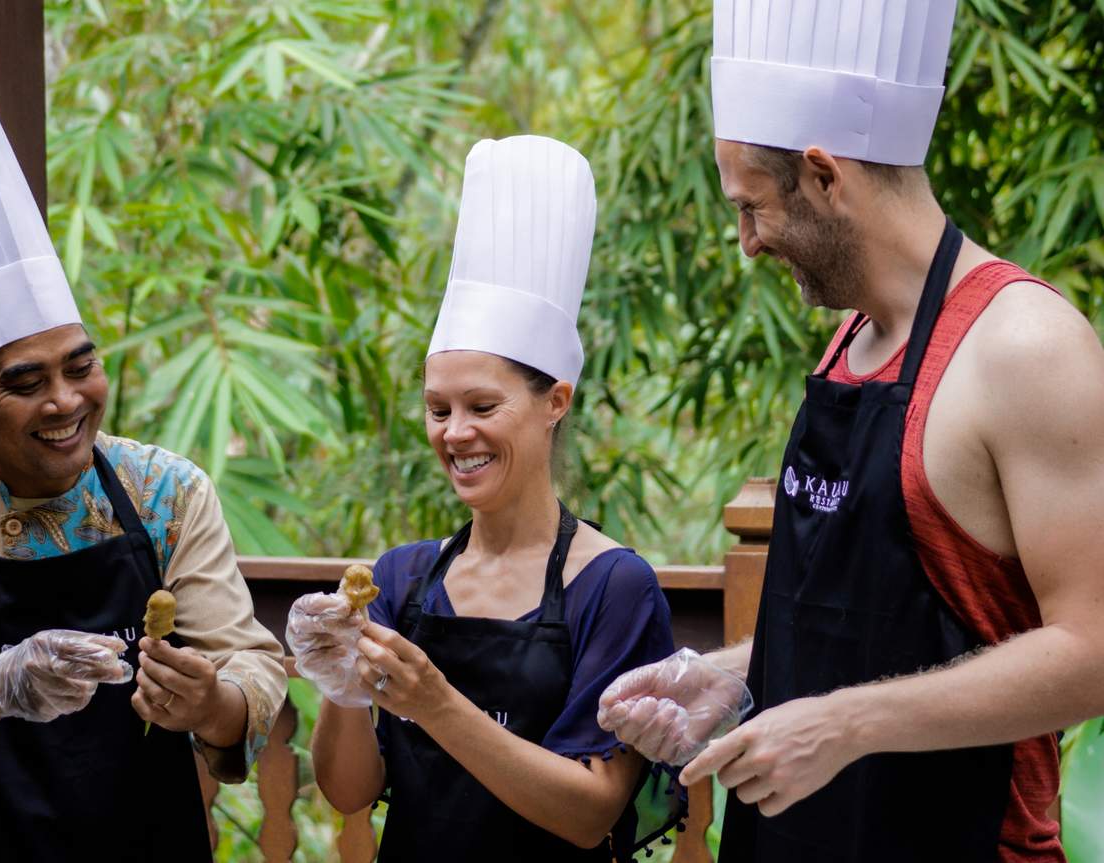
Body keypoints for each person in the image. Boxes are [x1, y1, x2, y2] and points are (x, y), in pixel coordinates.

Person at [598, 1, 1104, 861]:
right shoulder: (852, 340)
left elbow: (1091, 649)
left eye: (751, 207)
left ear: (827, 176)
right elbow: (864, 622)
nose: (746, 243)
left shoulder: (1024, 347)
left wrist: (843, 723)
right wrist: (726, 677)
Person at [0, 100, 286, 863]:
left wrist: (213, 701)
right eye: (26, 381)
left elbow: (253, 666)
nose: (65, 401)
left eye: (81, 365)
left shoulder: (167, 491)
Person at [286, 136, 679, 861]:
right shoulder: (402, 577)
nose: (454, 433)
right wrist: (340, 686)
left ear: (554, 400)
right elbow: (347, 792)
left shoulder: (612, 586)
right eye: (437, 410)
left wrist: (434, 703)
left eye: (481, 406)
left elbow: (590, 811)